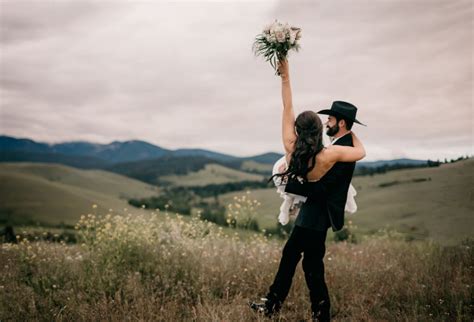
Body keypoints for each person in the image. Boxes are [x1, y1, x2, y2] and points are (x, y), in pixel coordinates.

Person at [249, 59, 366, 321]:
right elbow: (361, 152)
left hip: (315, 215)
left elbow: (287, 106)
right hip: (315, 214)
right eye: (325, 120)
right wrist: (354, 128)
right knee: (308, 262)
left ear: (298, 131)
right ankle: (312, 311)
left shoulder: (292, 148)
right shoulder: (330, 154)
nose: (328, 122)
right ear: (318, 130)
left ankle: (279, 307)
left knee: (298, 258)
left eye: (332, 119)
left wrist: (285, 76)